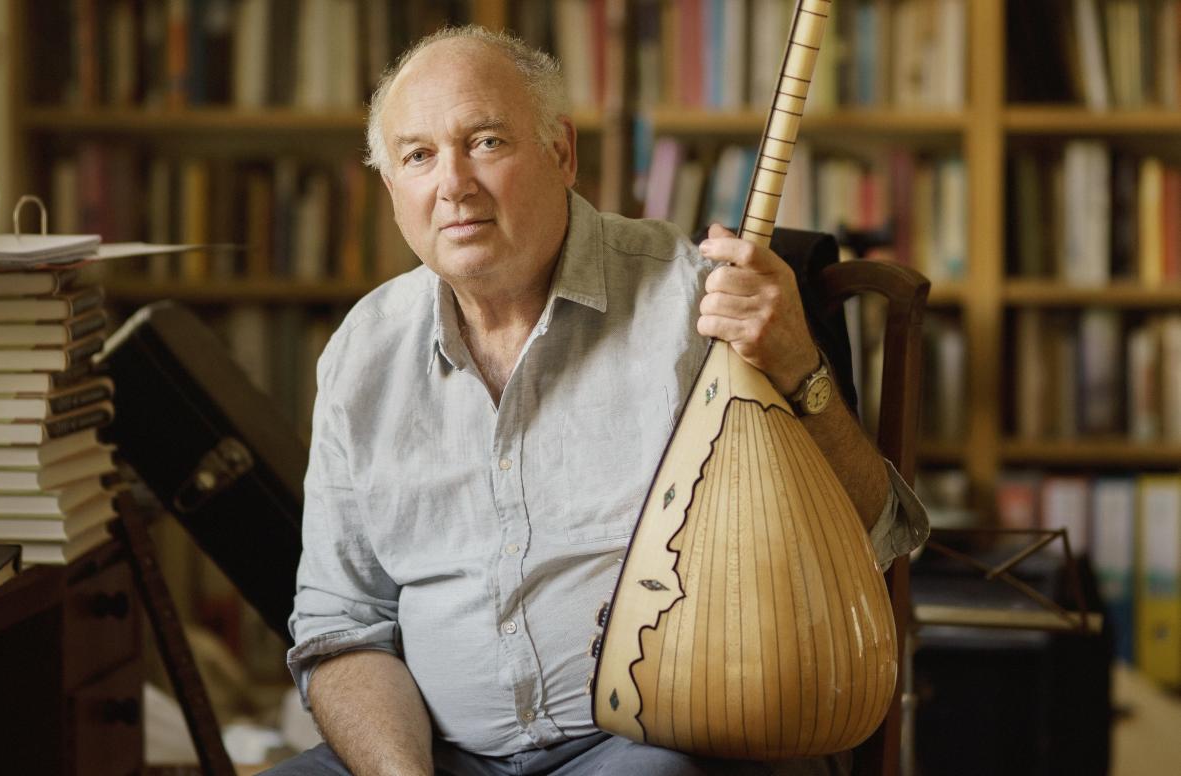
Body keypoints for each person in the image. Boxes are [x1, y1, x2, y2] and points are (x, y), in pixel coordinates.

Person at [270, 26, 927, 776]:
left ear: (562, 153)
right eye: (418, 156)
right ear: (393, 191)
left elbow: (878, 537)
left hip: (658, 742)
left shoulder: (694, 304)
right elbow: (344, 626)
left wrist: (797, 368)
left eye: (485, 142)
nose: (453, 184)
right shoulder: (363, 352)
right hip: (433, 756)